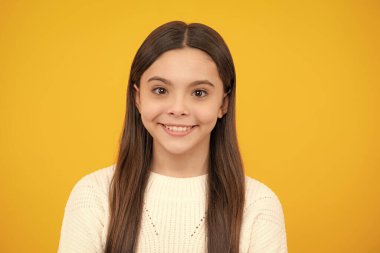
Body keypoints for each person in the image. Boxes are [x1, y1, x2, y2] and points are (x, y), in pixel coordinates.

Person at [57, 20, 287, 253]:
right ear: (138, 98)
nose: (178, 108)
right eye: (160, 90)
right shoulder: (93, 196)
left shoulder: (259, 206)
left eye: (199, 93)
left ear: (223, 103)